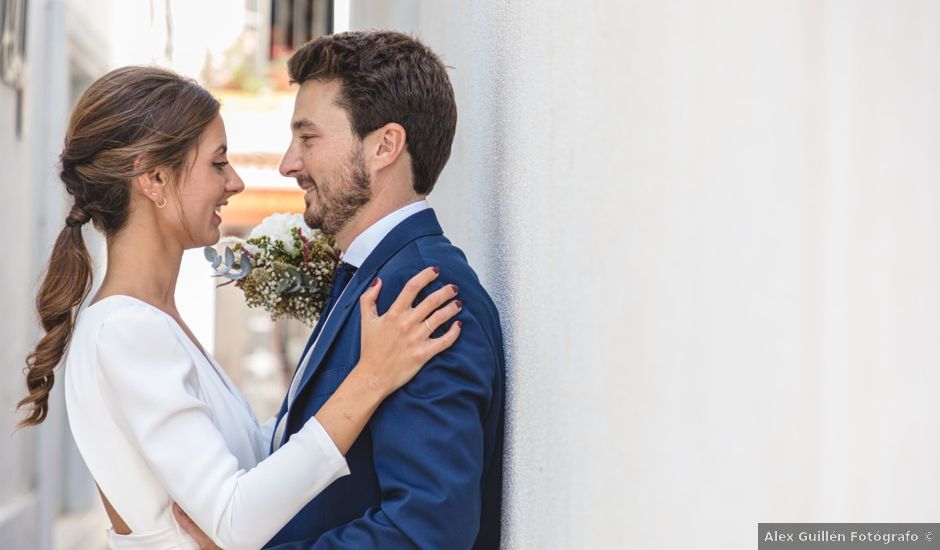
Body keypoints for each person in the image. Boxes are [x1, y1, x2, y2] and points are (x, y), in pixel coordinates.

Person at [16, 65, 464, 550]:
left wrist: (351, 359)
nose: (235, 183)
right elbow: (234, 520)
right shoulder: (125, 330)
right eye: (217, 163)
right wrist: (369, 380)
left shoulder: (155, 320)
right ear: (154, 179)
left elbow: (254, 455)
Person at [182, 30, 506, 549]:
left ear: (384, 146)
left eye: (308, 138)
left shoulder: (423, 293)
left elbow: (426, 531)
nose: (289, 163)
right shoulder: (375, 274)